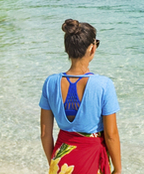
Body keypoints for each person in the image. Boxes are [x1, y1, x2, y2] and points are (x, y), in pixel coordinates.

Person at [40, 19, 121, 173]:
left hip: (61, 159)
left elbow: (45, 134)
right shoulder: (104, 85)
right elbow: (111, 135)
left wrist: (55, 161)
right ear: (92, 48)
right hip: (91, 158)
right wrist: (118, 169)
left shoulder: (50, 83)